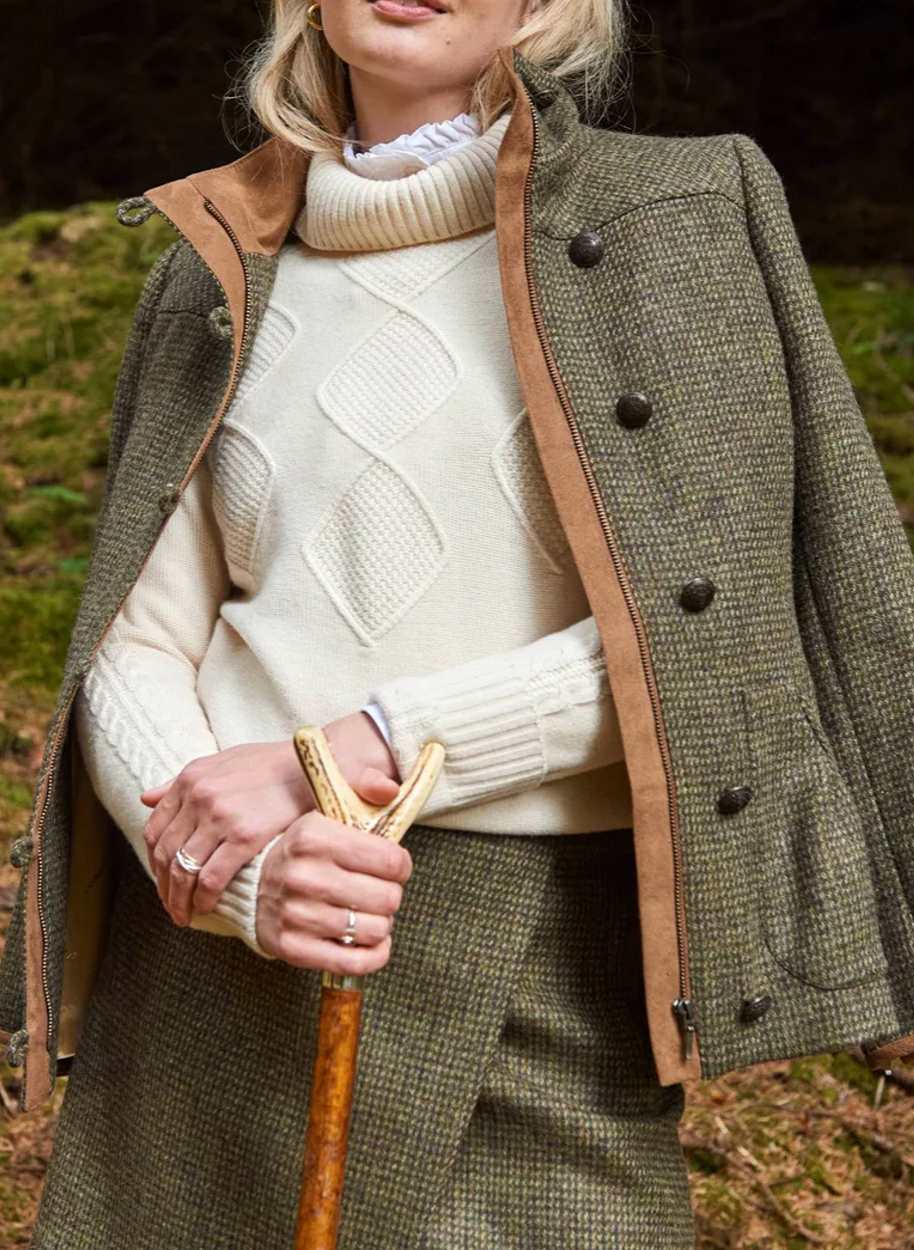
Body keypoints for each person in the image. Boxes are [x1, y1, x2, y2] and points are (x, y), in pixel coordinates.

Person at [26, 1, 700, 1247]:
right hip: (226, 961)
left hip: (547, 954)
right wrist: (235, 873)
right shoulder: (218, 257)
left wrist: (352, 749)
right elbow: (137, 636)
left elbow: (713, 637)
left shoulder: (676, 228)